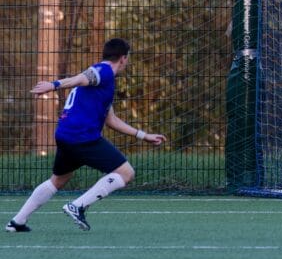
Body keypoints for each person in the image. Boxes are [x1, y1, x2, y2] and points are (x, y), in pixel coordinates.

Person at [5, 38, 167, 233]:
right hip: (82, 138)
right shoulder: (104, 71)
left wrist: (143, 135)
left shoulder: (104, 82)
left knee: (58, 180)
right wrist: (53, 84)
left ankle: (17, 222)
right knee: (126, 173)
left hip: (66, 135)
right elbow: (81, 78)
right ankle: (78, 206)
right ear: (124, 58)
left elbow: (111, 120)